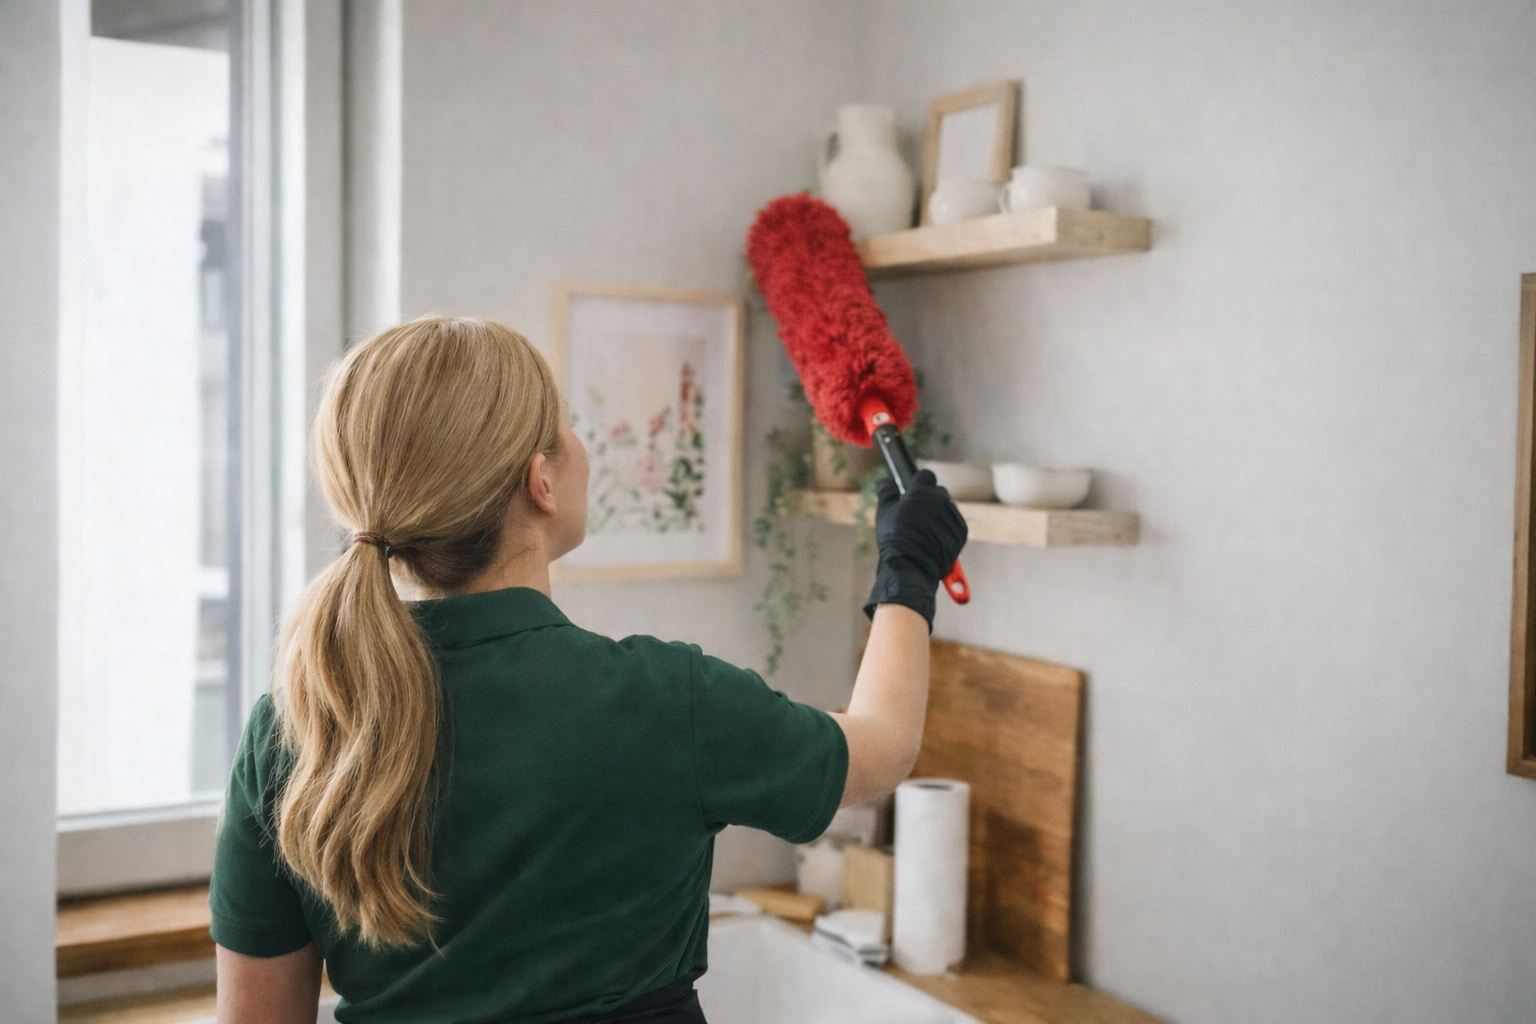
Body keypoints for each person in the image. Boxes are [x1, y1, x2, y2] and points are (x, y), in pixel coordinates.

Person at [210, 316, 966, 1024]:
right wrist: (906, 569)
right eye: (566, 425)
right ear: (539, 480)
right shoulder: (667, 703)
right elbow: (881, 747)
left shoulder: (294, 728)